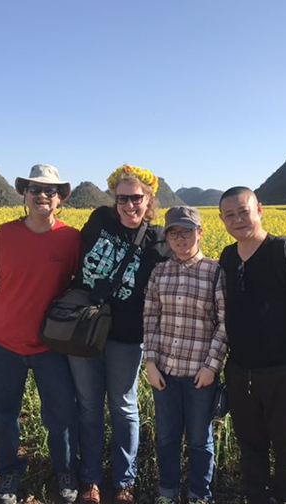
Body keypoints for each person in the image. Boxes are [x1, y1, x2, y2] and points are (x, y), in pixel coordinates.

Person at [0, 164, 81, 504]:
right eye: (35, 190)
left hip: (52, 345)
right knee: (4, 413)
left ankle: (65, 471)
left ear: (60, 199)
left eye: (50, 191)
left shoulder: (71, 238)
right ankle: (8, 474)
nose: (42, 196)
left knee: (61, 414)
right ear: (24, 195)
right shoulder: (3, 235)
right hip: (4, 341)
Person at [67, 164, 170, 504]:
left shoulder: (157, 239)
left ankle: (125, 481)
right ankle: (90, 480)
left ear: (148, 198)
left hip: (127, 336)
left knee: (124, 407)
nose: (129, 205)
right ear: (114, 199)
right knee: (88, 406)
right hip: (84, 330)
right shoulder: (99, 220)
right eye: (122, 198)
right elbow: (71, 258)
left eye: (136, 198)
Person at [217, 187, 286, 504]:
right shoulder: (227, 256)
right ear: (222, 219)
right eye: (230, 214)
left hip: (285, 370)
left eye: (243, 211)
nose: (237, 219)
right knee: (250, 449)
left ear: (259, 210)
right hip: (240, 371)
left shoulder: (283, 251)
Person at [143, 206, 227, 504]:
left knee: (199, 440)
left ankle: (198, 495)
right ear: (167, 237)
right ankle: (167, 493)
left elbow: (224, 323)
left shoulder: (215, 271)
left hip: (199, 374)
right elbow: (150, 319)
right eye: (174, 233)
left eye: (186, 231)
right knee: (166, 438)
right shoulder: (160, 271)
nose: (180, 238)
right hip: (164, 370)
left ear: (200, 233)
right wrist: (150, 363)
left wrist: (211, 366)